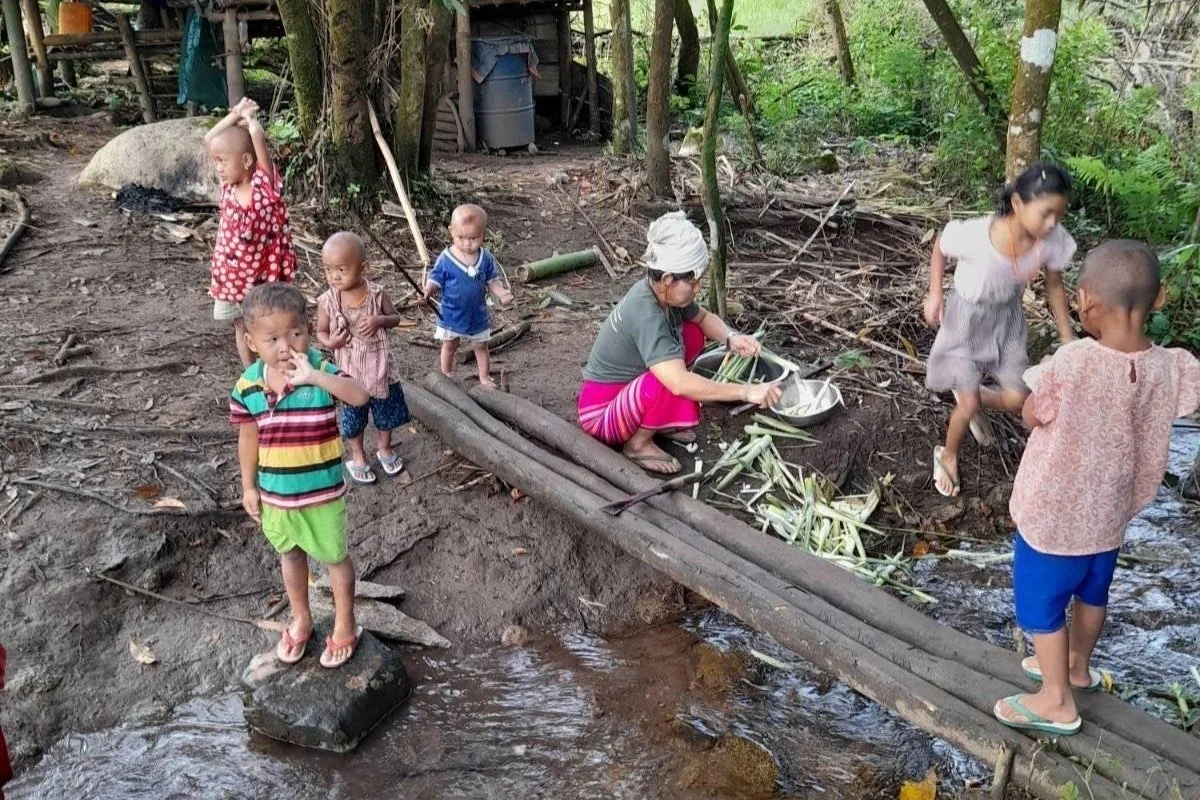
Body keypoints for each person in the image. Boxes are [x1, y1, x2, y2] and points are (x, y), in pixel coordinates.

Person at [993, 240, 1200, 735]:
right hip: (1109, 516)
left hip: (1054, 516)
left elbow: (1033, 412)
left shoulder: (1074, 362)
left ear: (1084, 300)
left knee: (1041, 605)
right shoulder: (1173, 365)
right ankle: (1078, 667)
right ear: (1160, 300)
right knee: (1091, 594)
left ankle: (1056, 698)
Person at [230, 283, 371, 669]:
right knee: (290, 556)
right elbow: (248, 437)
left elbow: (359, 396)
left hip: (322, 495)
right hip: (277, 497)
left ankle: (345, 624)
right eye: (272, 338)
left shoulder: (320, 369)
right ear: (251, 341)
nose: (285, 346)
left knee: (334, 558)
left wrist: (315, 378)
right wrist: (249, 486)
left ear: (308, 331)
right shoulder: (248, 386)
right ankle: (302, 618)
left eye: (295, 333)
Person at [578, 212, 783, 475]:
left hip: (625, 394)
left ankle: (655, 423)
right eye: (693, 282)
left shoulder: (663, 295)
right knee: (669, 380)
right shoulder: (647, 314)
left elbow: (704, 317)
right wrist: (746, 392)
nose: (697, 288)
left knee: (692, 333)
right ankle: (637, 445)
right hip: (601, 415)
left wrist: (730, 338)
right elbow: (679, 382)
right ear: (667, 279)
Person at [923, 163, 1078, 497]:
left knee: (1018, 398)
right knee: (965, 406)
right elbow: (941, 245)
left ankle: (977, 399)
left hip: (1007, 319)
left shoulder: (1050, 240)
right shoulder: (979, 235)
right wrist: (935, 293)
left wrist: (1067, 335)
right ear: (1019, 204)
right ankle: (948, 454)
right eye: (1046, 213)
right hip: (966, 318)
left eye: (1059, 216)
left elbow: (1054, 284)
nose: (1052, 223)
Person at [205, 97, 297, 367]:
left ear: (246, 160)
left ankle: (276, 370)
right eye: (216, 162)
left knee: (270, 326)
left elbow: (257, 141)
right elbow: (210, 140)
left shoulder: (263, 186)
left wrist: (252, 120)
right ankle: (250, 376)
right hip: (230, 276)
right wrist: (236, 114)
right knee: (240, 328)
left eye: (223, 161)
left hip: (264, 276)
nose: (218, 167)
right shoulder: (227, 186)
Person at [316, 232, 412, 486]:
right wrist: (332, 343)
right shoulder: (328, 302)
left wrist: (380, 320)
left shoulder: (377, 294)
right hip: (350, 373)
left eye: (341, 270)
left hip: (380, 370)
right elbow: (321, 332)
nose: (334, 276)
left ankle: (385, 448)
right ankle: (358, 455)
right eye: (328, 269)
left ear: (363, 268)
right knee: (353, 418)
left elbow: (396, 318)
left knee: (385, 414)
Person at [421, 204, 514, 388]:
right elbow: (435, 278)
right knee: (449, 344)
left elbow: (492, 281)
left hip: (477, 313)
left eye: (473, 238)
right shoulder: (446, 258)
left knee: (480, 346)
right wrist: (428, 289)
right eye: (461, 237)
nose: (467, 243)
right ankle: (445, 374)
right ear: (451, 231)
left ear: (483, 234)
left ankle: (484, 376)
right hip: (451, 312)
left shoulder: (485, 258)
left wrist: (502, 293)